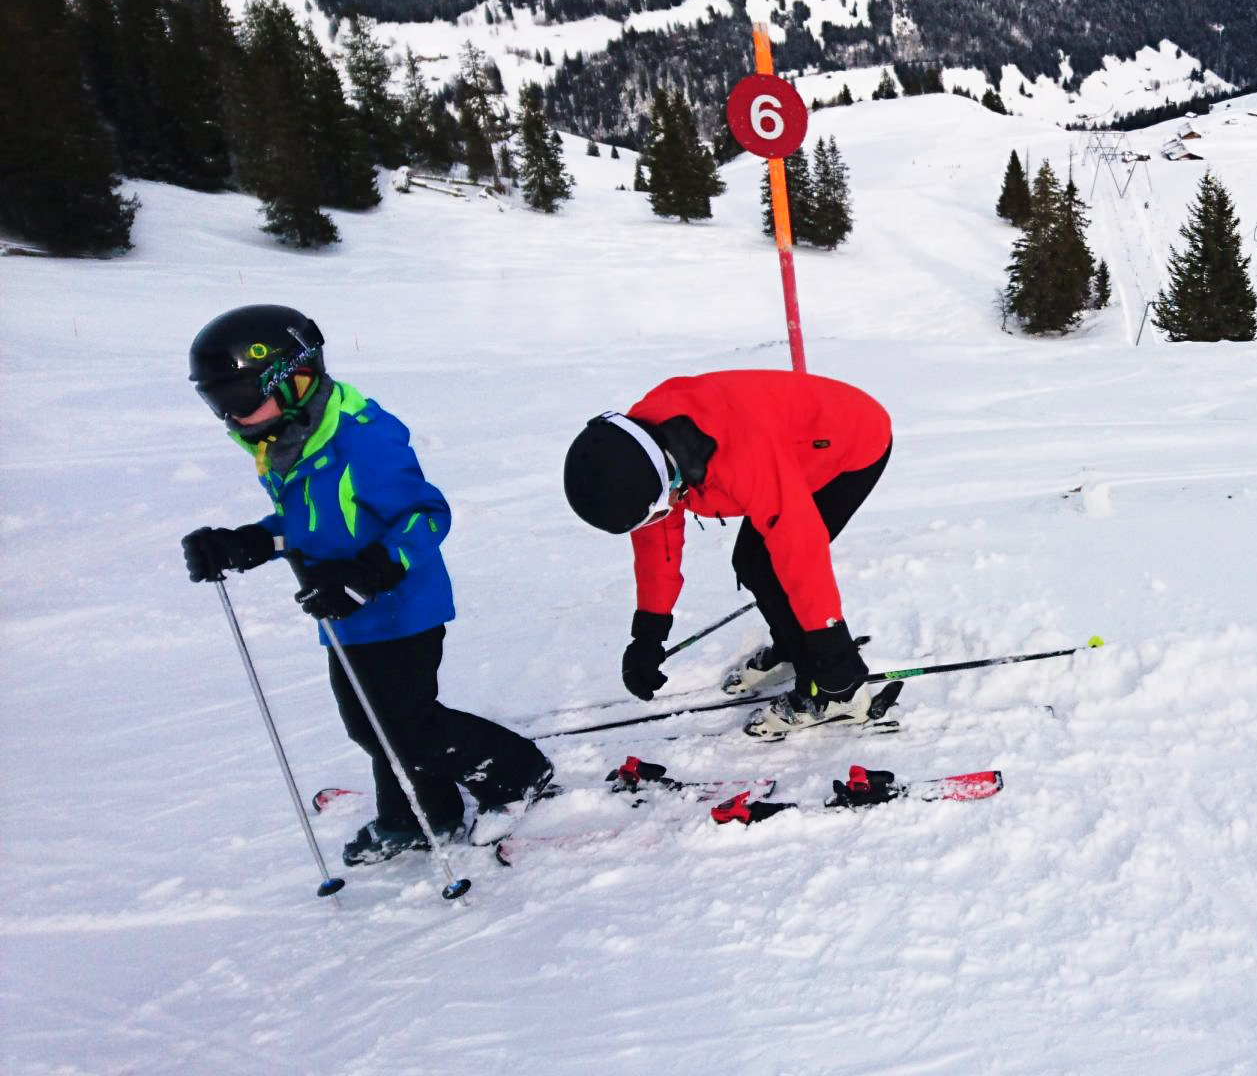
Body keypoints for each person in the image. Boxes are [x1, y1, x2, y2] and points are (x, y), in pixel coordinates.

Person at [179, 305, 554, 865]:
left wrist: (369, 573)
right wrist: (249, 542)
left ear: (294, 380)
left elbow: (428, 515)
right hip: (346, 613)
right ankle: (422, 815)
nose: (231, 416)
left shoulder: (360, 440)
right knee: (370, 724)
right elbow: (305, 523)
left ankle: (517, 771)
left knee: (407, 726)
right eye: (216, 403)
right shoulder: (288, 442)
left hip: (402, 607)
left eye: (238, 398)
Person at [561, 370, 892, 735]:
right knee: (751, 562)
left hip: (848, 444)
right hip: (785, 445)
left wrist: (831, 645)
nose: (659, 517)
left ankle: (839, 697)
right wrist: (648, 635)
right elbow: (659, 545)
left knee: (770, 566)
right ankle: (792, 648)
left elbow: (801, 550)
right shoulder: (646, 451)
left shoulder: (739, 455)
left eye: (655, 512)